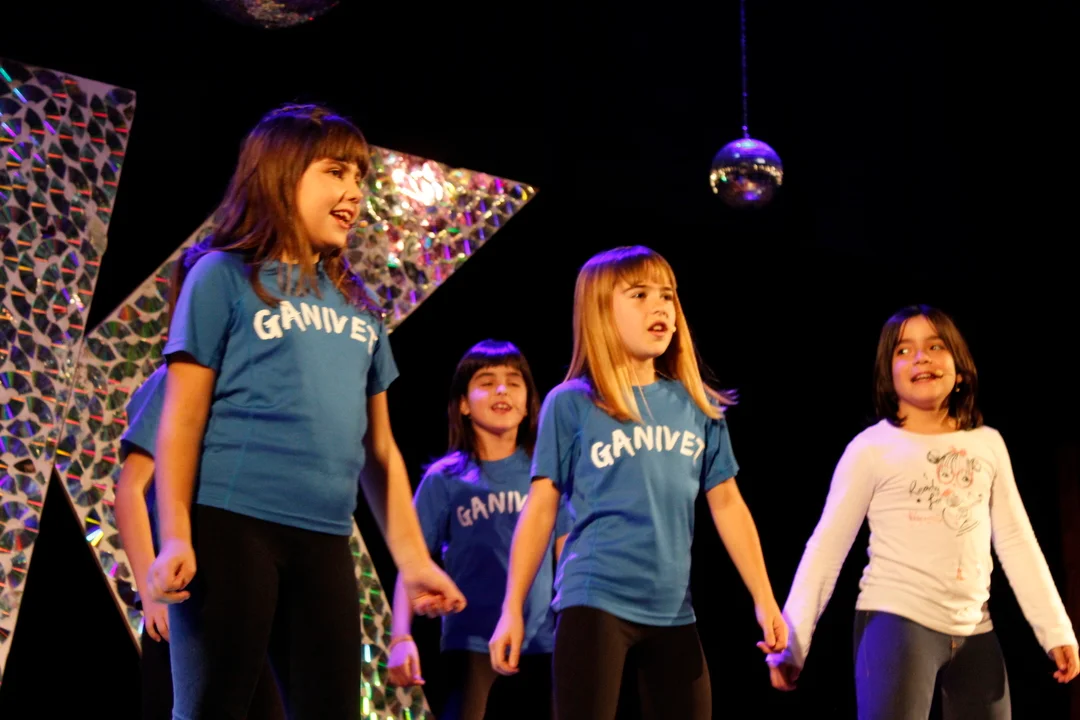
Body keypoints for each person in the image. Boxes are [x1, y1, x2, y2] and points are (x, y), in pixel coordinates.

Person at [144, 104, 465, 720]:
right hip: (230, 526)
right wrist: (176, 532)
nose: (355, 193)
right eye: (336, 172)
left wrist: (414, 560)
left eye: (360, 177)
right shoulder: (223, 276)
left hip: (324, 539)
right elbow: (181, 419)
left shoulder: (360, 307)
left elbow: (379, 450)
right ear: (281, 174)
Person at [489, 245, 788, 720]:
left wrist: (764, 597)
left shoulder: (697, 405)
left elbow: (727, 503)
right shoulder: (572, 403)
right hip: (594, 600)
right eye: (640, 294)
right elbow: (541, 509)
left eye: (667, 295)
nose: (660, 307)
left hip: (673, 609)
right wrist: (512, 608)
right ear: (601, 311)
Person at [765, 304, 1080, 719]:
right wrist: (793, 641)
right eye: (904, 351)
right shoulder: (872, 449)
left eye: (935, 346)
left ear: (959, 369)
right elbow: (827, 547)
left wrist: (1055, 629)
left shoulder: (987, 444)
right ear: (888, 374)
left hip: (976, 627)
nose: (921, 358)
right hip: (897, 620)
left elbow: (1017, 540)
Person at [388, 340, 570, 719]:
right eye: (486, 382)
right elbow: (411, 562)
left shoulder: (546, 476)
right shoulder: (445, 479)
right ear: (464, 405)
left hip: (541, 643)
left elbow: (568, 556)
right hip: (470, 644)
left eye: (513, 382)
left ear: (527, 404)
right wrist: (401, 635)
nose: (502, 390)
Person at [115, 363, 284, 720]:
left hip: (252, 600)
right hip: (185, 603)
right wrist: (151, 594)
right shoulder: (178, 378)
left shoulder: (256, 391)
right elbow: (129, 490)